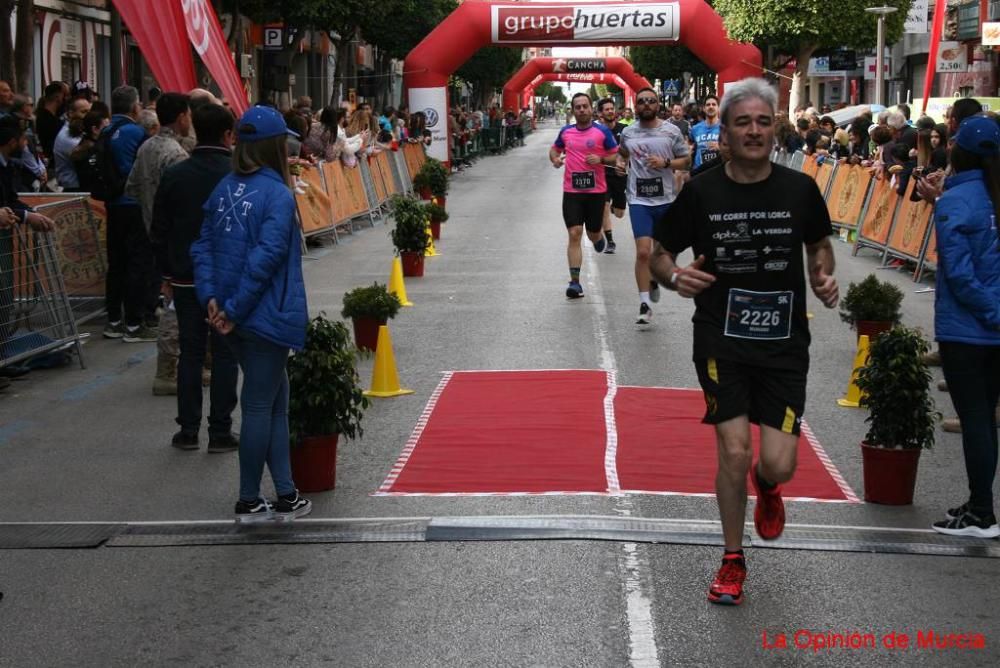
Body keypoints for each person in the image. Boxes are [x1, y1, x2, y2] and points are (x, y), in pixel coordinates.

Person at [650, 78, 839, 606]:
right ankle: (732, 558)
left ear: (775, 127)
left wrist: (823, 278)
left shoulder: (799, 189)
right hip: (719, 339)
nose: (754, 131)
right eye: (742, 122)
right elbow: (661, 253)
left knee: (776, 463)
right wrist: (673, 278)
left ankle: (770, 487)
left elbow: (819, 247)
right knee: (733, 450)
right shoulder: (703, 191)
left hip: (782, 344)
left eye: (762, 121)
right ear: (726, 135)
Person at [190, 105, 311, 523]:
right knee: (261, 406)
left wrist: (212, 300)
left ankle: (286, 492)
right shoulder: (277, 193)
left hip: (231, 314)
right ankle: (248, 499)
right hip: (263, 316)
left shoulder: (224, 187)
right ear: (277, 147)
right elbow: (267, 257)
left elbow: (202, 246)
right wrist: (235, 309)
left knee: (276, 402)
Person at [151, 103, 239, 454]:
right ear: (227, 135)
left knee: (190, 351)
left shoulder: (176, 174)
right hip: (228, 278)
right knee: (225, 352)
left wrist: (166, 272)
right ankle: (220, 431)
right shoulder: (237, 174)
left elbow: (159, 229)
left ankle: (188, 430)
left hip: (186, 276)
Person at [929, 116, 1000, 539]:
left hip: (968, 329)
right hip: (986, 327)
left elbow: (959, 273)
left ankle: (980, 511)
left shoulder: (957, 202)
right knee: (984, 418)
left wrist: (992, 313)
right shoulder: (983, 196)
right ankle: (979, 504)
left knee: (975, 418)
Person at [126, 92, 193, 394]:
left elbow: (132, 187)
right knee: (176, 302)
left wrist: (148, 211)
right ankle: (167, 369)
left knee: (168, 297)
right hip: (172, 234)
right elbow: (180, 200)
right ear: (181, 116)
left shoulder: (146, 147)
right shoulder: (176, 154)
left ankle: (171, 367)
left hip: (151, 227)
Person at [616, 87, 690, 325]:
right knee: (643, 252)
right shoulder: (628, 133)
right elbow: (622, 154)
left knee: (663, 252)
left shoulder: (671, 132)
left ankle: (655, 278)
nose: (646, 104)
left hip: (666, 200)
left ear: (658, 105)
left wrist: (666, 163)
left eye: (651, 101)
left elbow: (686, 161)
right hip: (639, 200)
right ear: (636, 107)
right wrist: (620, 164)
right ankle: (645, 304)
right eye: (642, 101)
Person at [1, 115, 55, 386]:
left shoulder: (8, 166)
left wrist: (29, 214)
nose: (25, 144)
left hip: (5, 236)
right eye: (22, 139)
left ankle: (2, 357)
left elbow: (11, 201)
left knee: (5, 297)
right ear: (12, 142)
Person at [549, 92, 619, 299]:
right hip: (572, 192)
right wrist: (555, 160)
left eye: (584, 106)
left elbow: (616, 157)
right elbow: (554, 150)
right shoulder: (566, 132)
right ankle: (575, 283)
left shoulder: (602, 132)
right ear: (573, 110)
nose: (581, 110)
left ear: (591, 109)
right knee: (574, 233)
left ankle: (598, 239)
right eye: (577, 107)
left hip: (596, 192)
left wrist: (601, 159)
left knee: (593, 234)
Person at [101, 86, 157, 343]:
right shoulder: (137, 132)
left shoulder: (105, 131)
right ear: (135, 107)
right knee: (138, 263)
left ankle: (113, 320)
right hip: (134, 205)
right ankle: (135, 323)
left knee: (116, 262)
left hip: (112, 204)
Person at [596, 97, 628, 254]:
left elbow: (630, 152)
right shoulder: (597, 132)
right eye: (606, 109)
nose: (610, 111)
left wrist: (624, 164)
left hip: (620, 175)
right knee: (604, 207)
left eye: (611, 108)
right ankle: (610, 242)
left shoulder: (625, 130)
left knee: (620, 213)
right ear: (600, 114)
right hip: (603, 175)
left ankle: (617, 207)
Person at [52, 96, 91, 192]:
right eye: (84, 112)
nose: (89, 116)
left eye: (90, 112)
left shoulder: (80, 130)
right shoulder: (67, 135)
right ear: (71, 113)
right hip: (73, 187)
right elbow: (84, 153)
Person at [690, 95, 721, 170]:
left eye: (714, 104)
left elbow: (734, 150)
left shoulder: (725, 128)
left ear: (718, 108)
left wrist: (720, 147)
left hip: (718, 171)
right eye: (708, 105)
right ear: (704, 109)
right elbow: (689, 146)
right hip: (698, 172)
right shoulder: (695, 128)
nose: (711, 107)